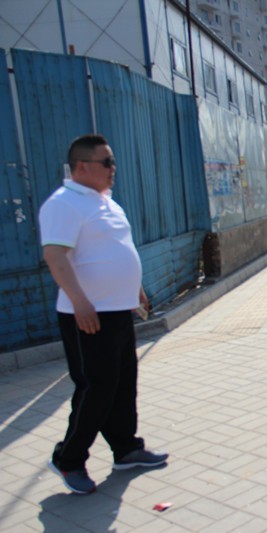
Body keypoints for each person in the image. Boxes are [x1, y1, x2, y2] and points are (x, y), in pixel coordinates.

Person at [39, 134, 168, 495]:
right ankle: (68, 459)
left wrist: (135, 287)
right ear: (82, 166)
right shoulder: (63, 203)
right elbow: (55, 255)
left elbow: (117, 249)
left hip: (117, 311)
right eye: (107, 162)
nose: (114, 169)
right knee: (95, 388)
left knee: (123, 383)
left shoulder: (106, 201)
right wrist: (80, 301)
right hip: (87, 315)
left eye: (113, 161)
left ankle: (126, 448)